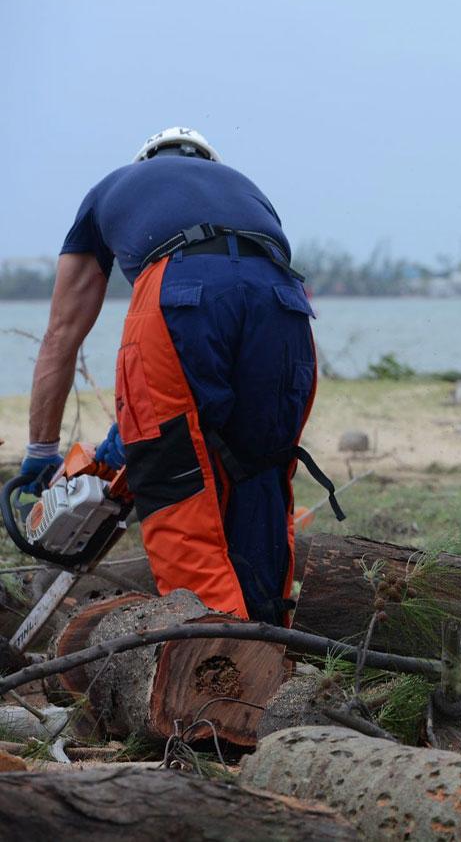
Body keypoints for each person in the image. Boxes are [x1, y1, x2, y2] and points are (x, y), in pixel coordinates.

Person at [20, 126, 340, 626]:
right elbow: (233, 300)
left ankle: (210, 655)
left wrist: (41, 453)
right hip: (283, 298)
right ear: (210, 162)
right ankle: (273, 643)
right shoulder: (243, 186)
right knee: (261, 469)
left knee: (174, 480)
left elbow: (62, 335)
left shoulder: (112, 189)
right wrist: (121, 446)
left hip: (180, 283)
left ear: (143, 160)